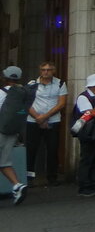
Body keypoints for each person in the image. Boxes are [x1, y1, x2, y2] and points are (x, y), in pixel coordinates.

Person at [25, 61, 67, 186]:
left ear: (53, 71)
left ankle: (52, 177)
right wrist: (38, 117)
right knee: (31, 149)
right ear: (40, 71)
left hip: (53, 121)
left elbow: (61, 103)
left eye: (48, 70)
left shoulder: (60, 83)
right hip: (33, 120)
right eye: (43, 70)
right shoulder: (32, 84)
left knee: (52, 149)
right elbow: (26, 102)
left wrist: (45, 117)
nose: (46, 72)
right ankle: (29, 176)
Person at [0, 66, 30, 205]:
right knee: (4, 162)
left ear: (5, 77)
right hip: (12, 132)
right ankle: (18, 185)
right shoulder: (23, 93)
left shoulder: (0, 93)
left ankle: (18, 186)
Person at [73, 73, 95, 196]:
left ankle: (94, 183)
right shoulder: (83, 97)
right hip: (87, 131)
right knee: (87, 158)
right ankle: (84, 185)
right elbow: (89, 112)